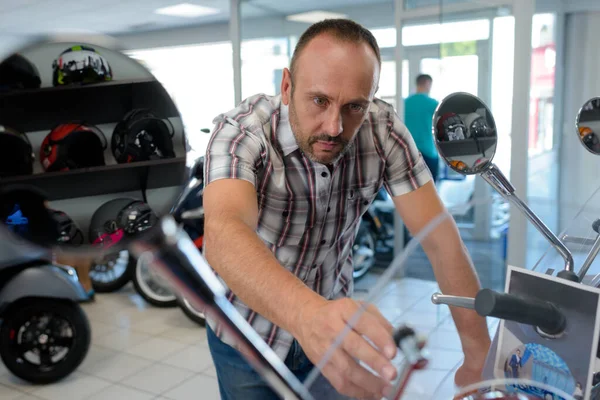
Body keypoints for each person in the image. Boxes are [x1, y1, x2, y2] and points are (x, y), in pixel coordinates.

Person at [202, 18, 491, 400]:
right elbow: (224, 234)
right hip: (247, 337)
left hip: (335, 334)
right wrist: (308, 316)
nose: (335, 127)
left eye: (355, 106)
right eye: (319, 100)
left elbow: (441, 239)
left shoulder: (383, 130)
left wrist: (478, 356)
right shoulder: (242, 132)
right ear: (287, 87)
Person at [404, 74, 440, 182]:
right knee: (431, 186)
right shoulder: (433, 103)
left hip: (409, 151)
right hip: (428, 150)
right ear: (427, 83)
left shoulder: (405, 103)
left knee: (412, 186)